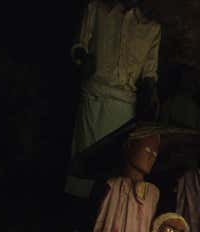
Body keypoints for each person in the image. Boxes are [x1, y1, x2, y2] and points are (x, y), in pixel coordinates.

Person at [69, 1, 160, 160]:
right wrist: (83, 59)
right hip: (93, 99)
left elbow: (149, 74)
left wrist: (151, 95)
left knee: (110, 167)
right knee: (82, 162)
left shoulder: (151, 28)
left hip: (123, 109)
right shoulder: (96, 8)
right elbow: (79, 45)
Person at [84, 130, 161, 232]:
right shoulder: (111, 186)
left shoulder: (153, 194)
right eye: (148, 150)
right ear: (129, 146)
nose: (152, 157)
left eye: (155, 154)